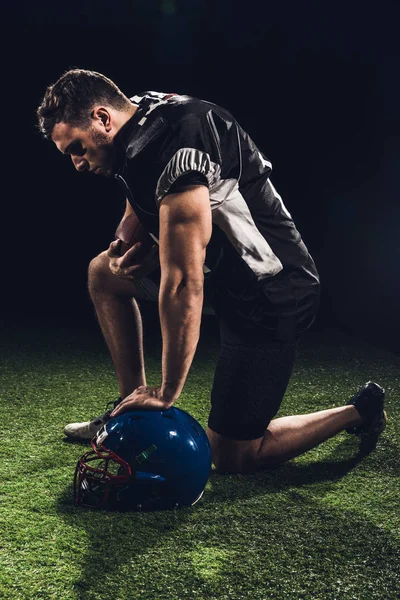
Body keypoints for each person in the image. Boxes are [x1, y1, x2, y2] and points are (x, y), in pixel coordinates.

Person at [36, 69, 387, 473]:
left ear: (101, 118)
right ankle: (130, 410)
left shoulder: (175, 147)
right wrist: (129, 242)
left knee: (233, 456)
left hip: (270, 293)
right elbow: (141, 188)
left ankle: (360, 410)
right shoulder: (138, 117)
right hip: (223, 275)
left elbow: (184, 282)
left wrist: (167, 391)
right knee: (104, 272)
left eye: (77, 149)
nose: (77, 164)